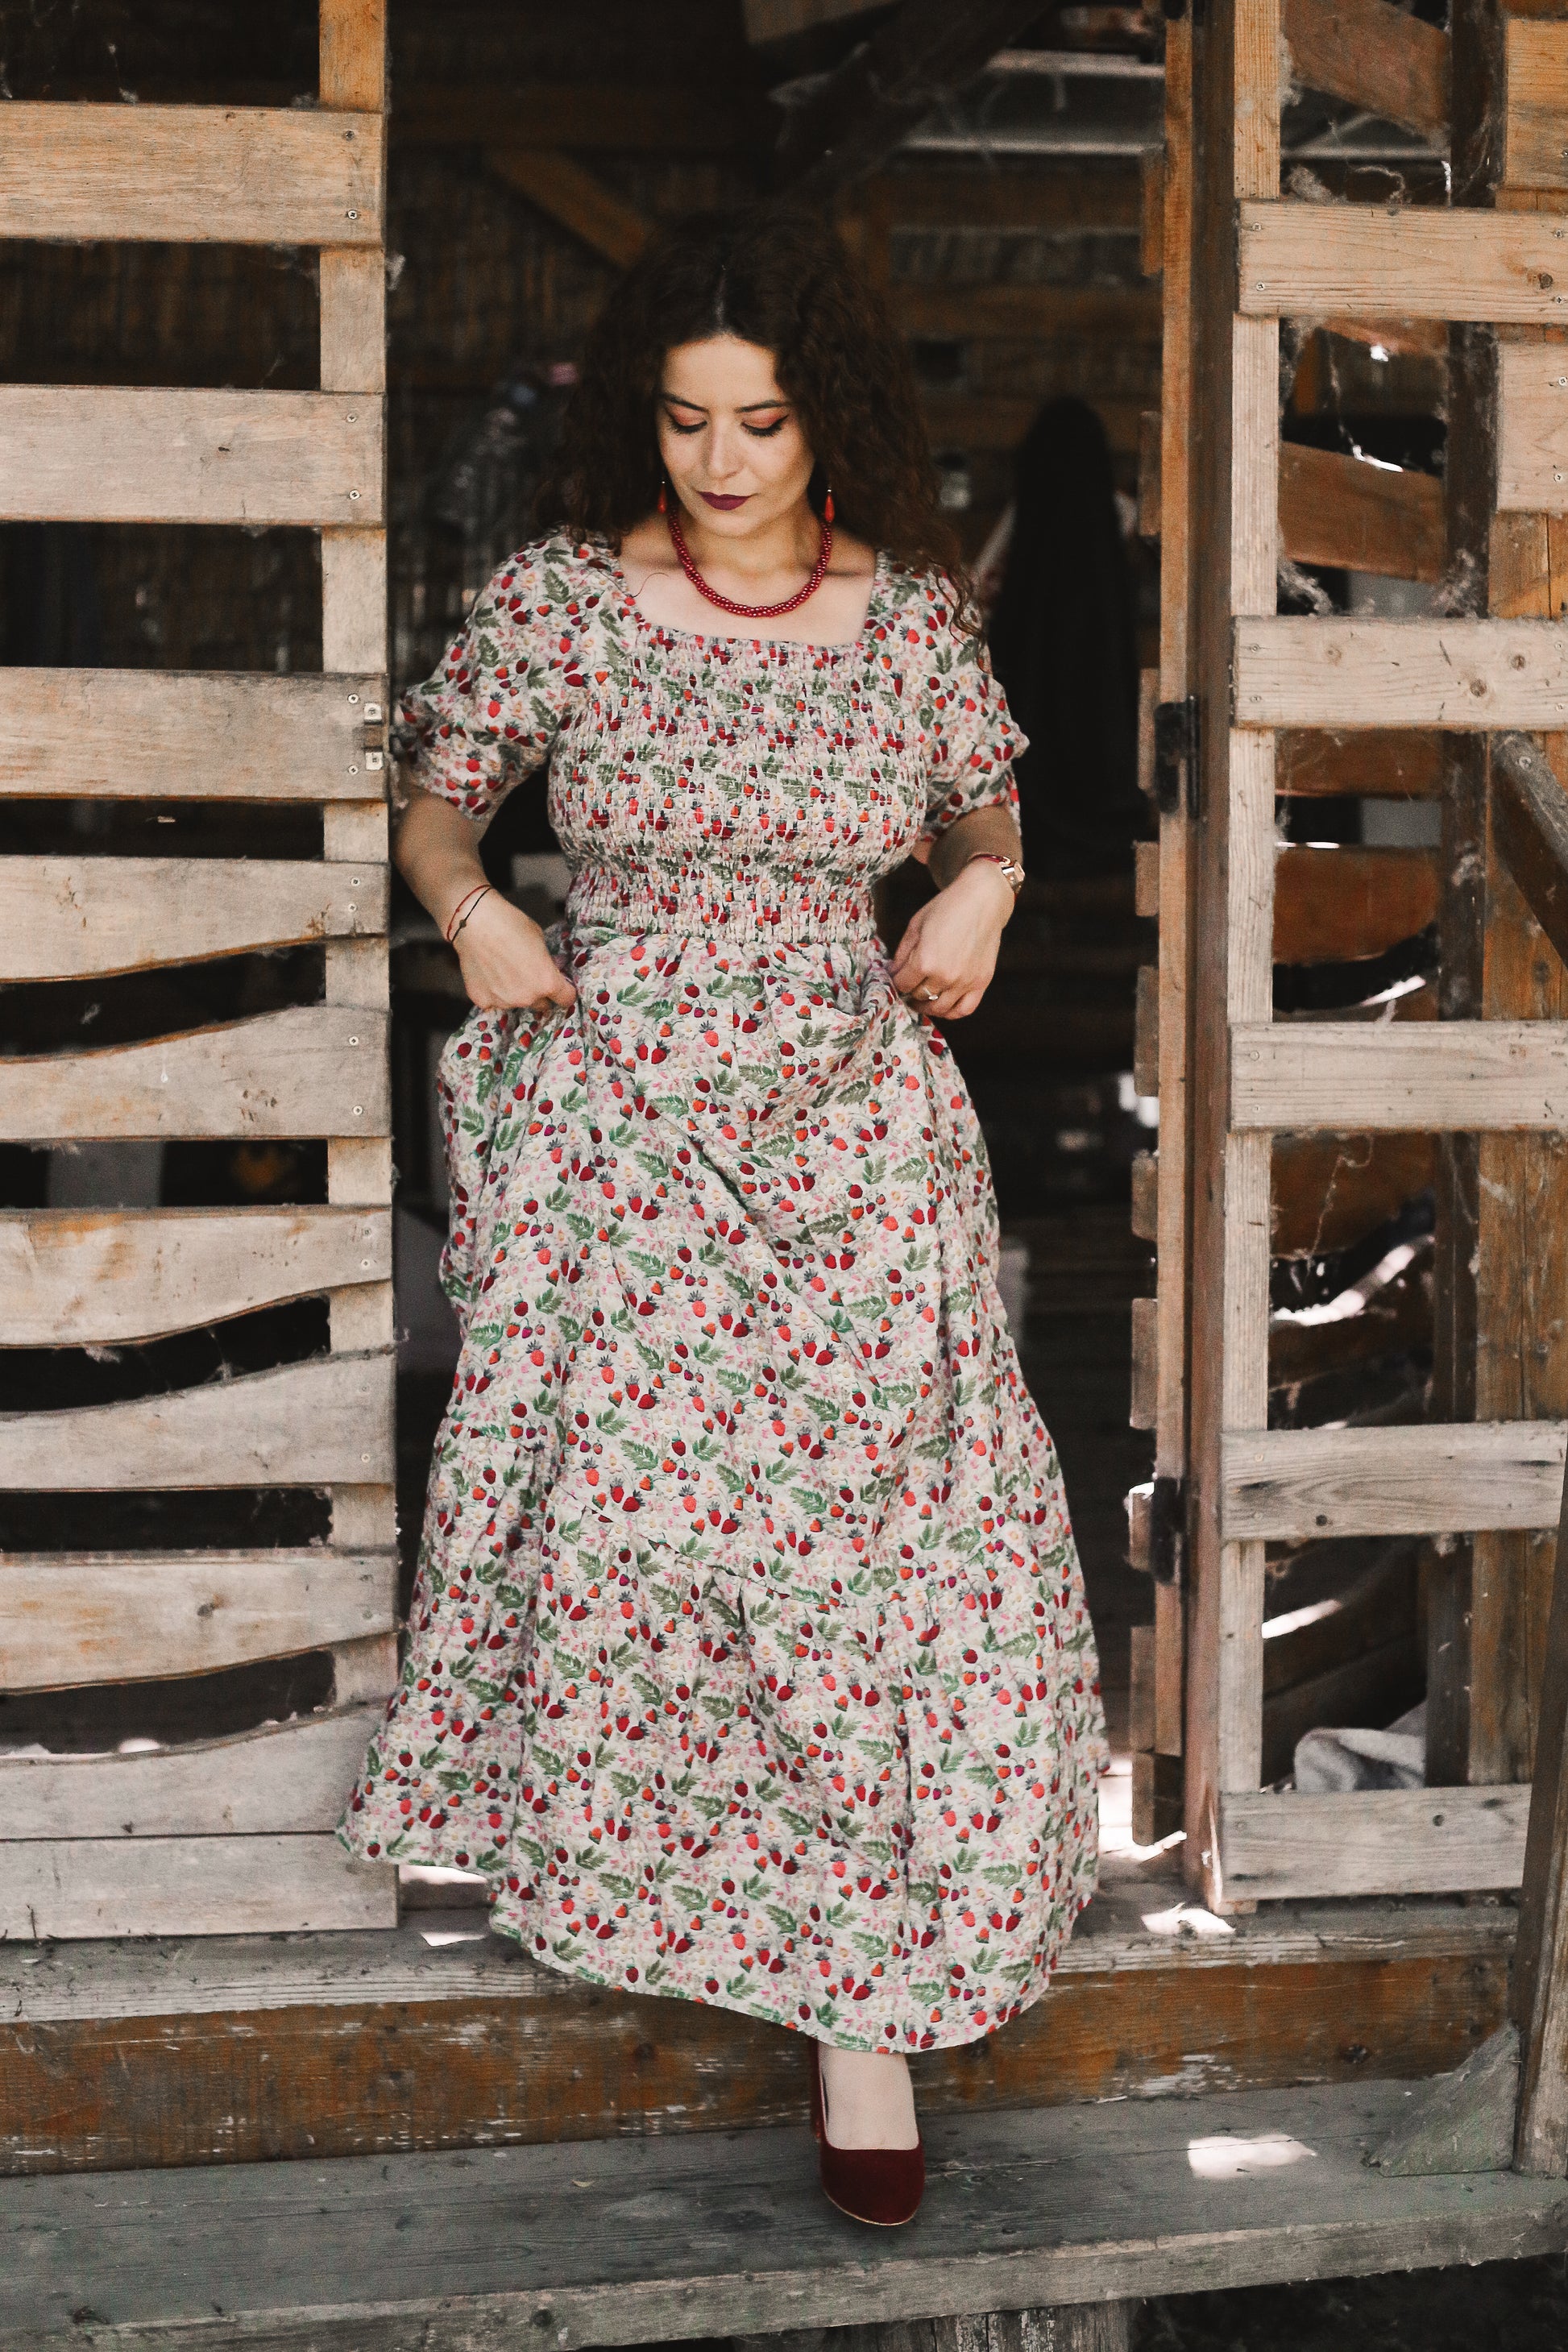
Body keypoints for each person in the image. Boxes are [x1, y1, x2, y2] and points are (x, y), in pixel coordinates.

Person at [338, 205, 1105, 2229]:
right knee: (659, 1548)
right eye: (685, 421)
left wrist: (981, 883)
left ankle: (864, 2011)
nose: (722, 460)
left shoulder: (911, 618)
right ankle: (659, 1895)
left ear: (823, 412)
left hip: (853, 1132)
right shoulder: (563, 600)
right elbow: (436, 798)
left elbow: (986, 801)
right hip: (628, 1123)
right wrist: (474, 908)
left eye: (759, 421)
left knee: (876, 1565)